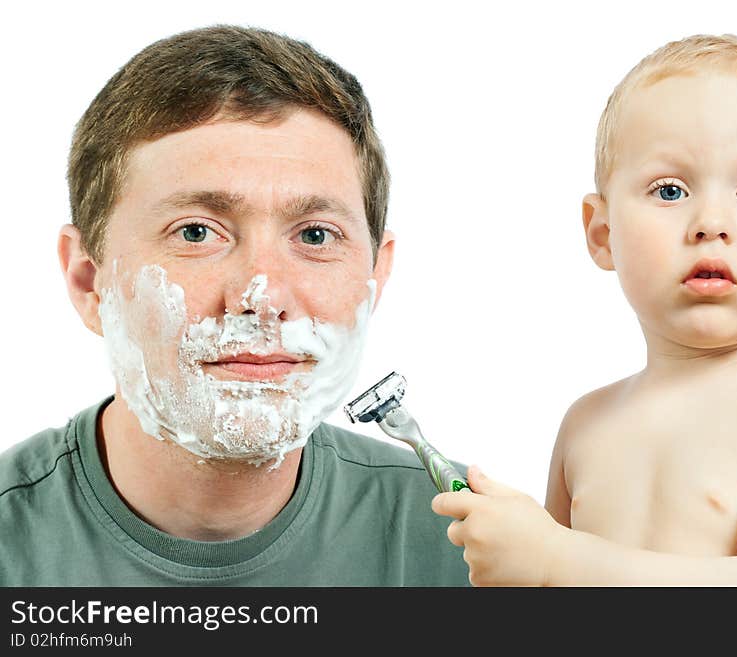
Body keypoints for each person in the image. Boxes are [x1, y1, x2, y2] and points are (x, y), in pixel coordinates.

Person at [0, 25, 469, 586]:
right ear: (87, 281)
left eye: (315, 236)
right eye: (197, 232)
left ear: (375, 276)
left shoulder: (465, 543)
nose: (262, 297)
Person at [432, 34, 737, 586]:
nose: (711, 221)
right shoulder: (585, 425)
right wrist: (516, 553)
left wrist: (552, 559)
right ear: (603, 233)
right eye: (669, 191)